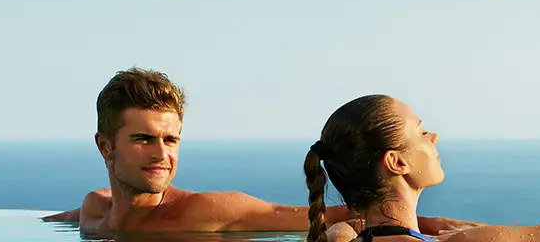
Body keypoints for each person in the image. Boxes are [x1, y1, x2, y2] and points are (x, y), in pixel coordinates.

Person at [40, 67, 480, 238]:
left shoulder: (204, 212)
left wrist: (426, 225)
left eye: (170, 139)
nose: (161, 154)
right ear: (105, 146)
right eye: (143, 139)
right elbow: (76, 217)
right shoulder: (93, 211)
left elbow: (303, 215)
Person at [304, 94, 540, 242]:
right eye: (421, 132)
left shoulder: (345, 238)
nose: (433, 137)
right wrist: (493, 235)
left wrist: (344, 230)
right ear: (397, 162)